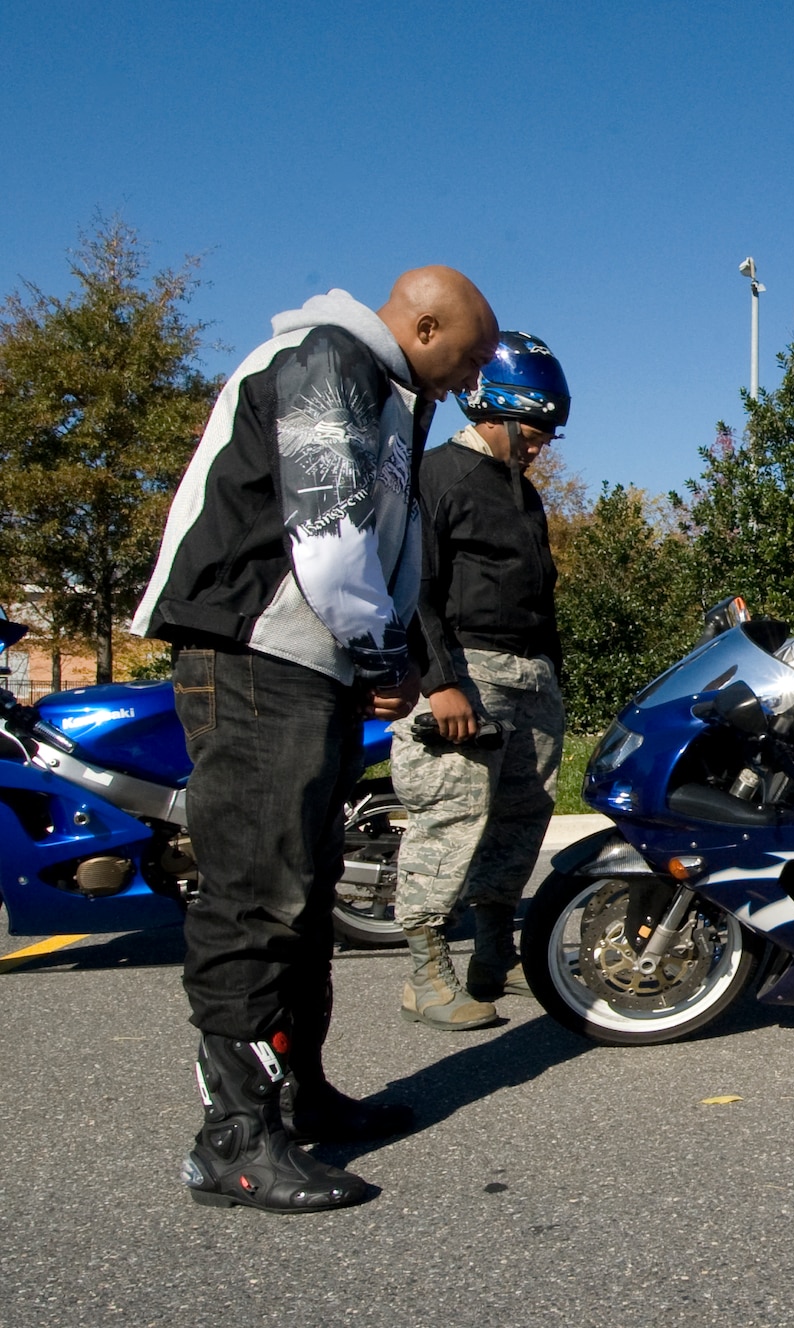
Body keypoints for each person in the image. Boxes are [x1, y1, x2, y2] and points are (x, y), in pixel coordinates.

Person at [133, 268, 499, 1211]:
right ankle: (233, 1140)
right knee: (255, 896)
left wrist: (396, 652)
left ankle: (297, 1097)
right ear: (420, 325)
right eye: (462, 363)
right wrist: (382, 654)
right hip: (258, 656)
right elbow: (329, 536)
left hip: (311, 664)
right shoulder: (329, 361)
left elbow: (390, 547)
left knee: (301, 893)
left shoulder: (383, 390)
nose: (466, 387)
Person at [392, 332, 570, 1031]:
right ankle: (425, 974)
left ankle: (494, 957)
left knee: (520, 819)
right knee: (451, 814)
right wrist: (440, 683)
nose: (540, 446)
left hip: (530, 677)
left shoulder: (522, 495)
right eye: (533, 430)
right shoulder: (440, 476)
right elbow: (416, 588)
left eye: (548, 434)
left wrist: (552, 675)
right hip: (467, 669)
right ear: (491, 409)